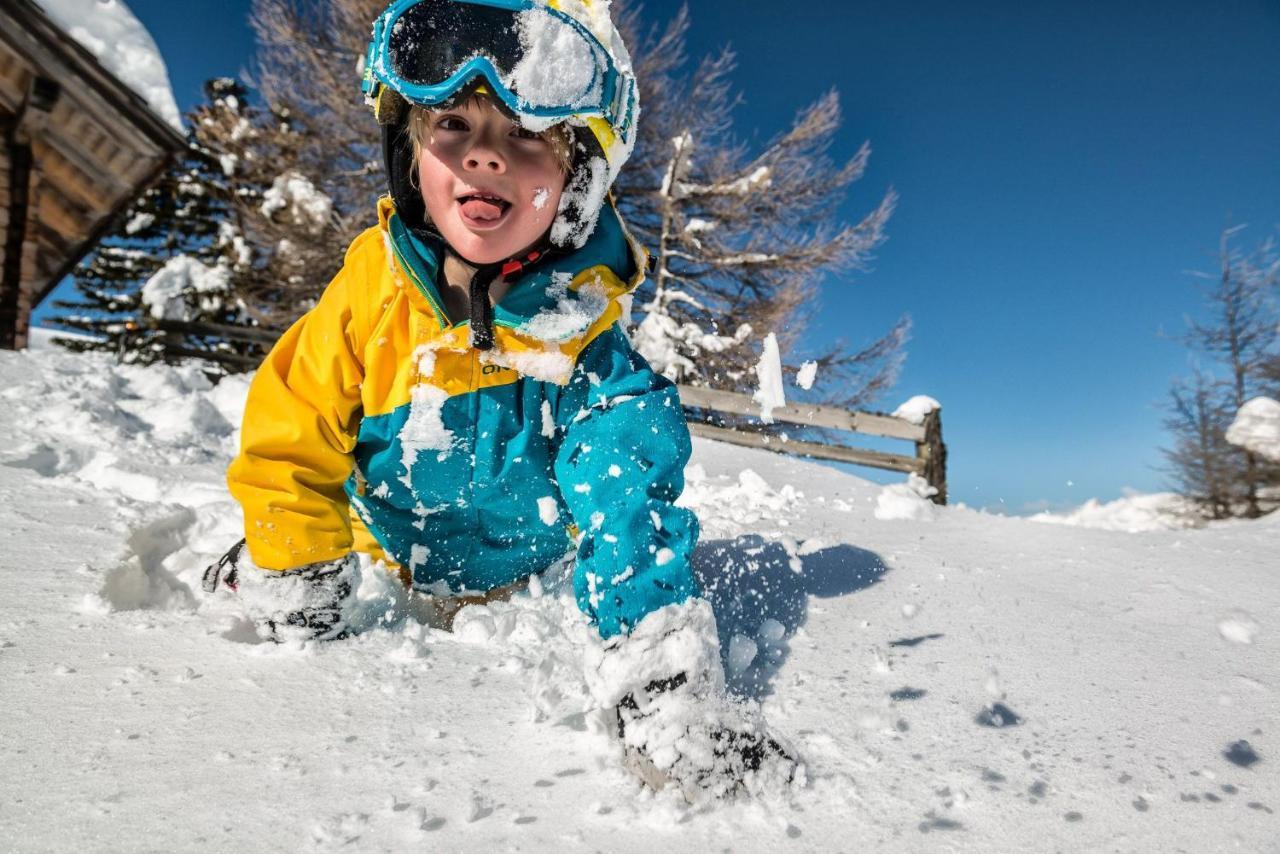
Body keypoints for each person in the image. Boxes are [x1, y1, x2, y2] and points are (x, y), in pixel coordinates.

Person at [203, 0, 796, 800]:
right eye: (452, 124)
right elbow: (289, 428)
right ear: (408, 150)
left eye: (526, 135)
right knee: (283, 548)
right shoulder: (369, 301)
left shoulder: (585, 338)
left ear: (576, 177)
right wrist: (299, 572)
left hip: (526, 581)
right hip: (385, 565)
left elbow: (626, 494)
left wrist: (653, 667)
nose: (485, 157)